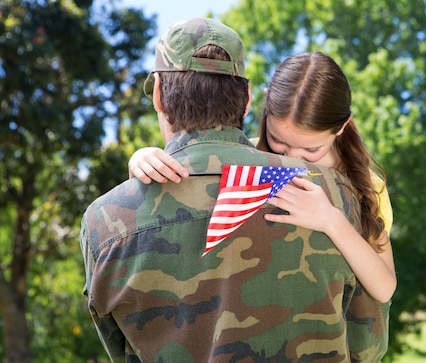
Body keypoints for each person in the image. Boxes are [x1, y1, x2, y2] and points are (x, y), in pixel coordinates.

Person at [80, 18, 389, 363]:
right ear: (246, 101)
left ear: (157, 94)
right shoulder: (333, 195)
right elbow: (366, 349)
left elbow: (128, 362)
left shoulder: (105, 220)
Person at [130, 52, 397, 303]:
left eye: (311, 149)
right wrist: (143, 159)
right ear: (266, 103)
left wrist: (332, 221)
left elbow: (384, 289)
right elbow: (189, 189)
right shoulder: (243, 157)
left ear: (342, 126)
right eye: (279, 141)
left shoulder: (367, 184)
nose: (294, 156)